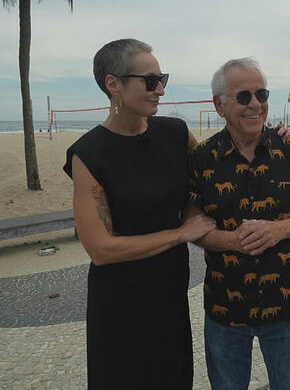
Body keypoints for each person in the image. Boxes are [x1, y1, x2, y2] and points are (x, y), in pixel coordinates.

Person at [63, 39, 217, 389]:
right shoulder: (89, 154)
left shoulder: (174, 133)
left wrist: (273, 138)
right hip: (120, 306)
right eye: (150, 81)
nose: (160, 89)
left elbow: (213, 169)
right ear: (113, 84)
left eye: (162, 78)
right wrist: (181, 233)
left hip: (169, 295)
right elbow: (101, 249)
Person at [184, 57, 290, 389]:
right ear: (219, 106)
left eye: (261, 94)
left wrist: (276, 230)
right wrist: (233, 241)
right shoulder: (201, 159)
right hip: (225, 306)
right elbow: (194, 226)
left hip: (285, 303)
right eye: (244, 96)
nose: (256, 104)